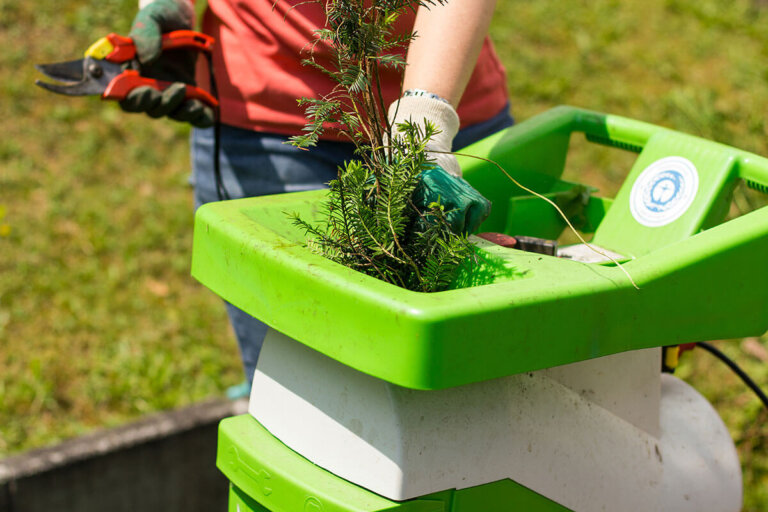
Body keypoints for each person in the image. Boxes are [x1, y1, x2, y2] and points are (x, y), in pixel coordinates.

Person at [124, 0, 513, 388]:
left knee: (482, 377)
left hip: (448, 90)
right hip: (267, 110)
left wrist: (426, 121)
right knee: (295, 389)